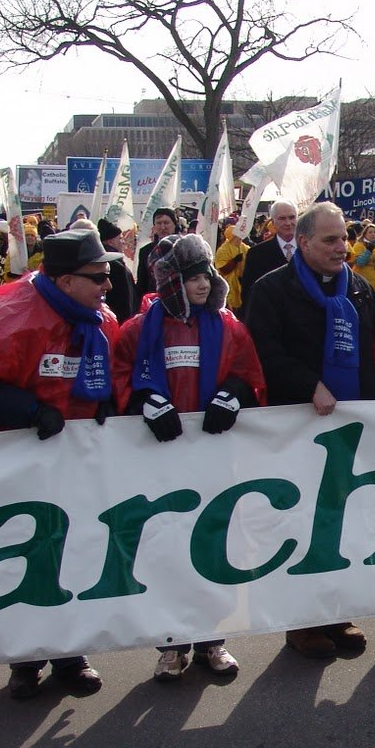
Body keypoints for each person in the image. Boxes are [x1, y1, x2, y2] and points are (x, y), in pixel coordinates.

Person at [0, 229, 124, 699]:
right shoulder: (6, 316)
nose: (108, 283)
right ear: (64, 282)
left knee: (72, 553)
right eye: (98, 275)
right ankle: (25, 659)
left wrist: (106, 403)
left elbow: (107, 374)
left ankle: (70, 654)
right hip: (19, 462)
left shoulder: (99, 319)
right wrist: (29, 412)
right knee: (22, 555)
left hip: (72, 463)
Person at [111, 234, 263, 679]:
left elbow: (247, 373)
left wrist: (234, 396)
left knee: (213, 545)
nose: (204, 284)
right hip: (159, 462)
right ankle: (171, 643)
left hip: (215, 460)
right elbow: (122, 376)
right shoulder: (139, 330)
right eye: (195, 276)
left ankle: (212, 640)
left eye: (207, 275)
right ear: (173, 281)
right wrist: (144, 401)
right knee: (165, 548)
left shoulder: (228, 325)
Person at [243, 201, 375, 659]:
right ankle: (302, 622)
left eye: (344, 237)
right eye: (330, 240)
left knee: (341, 523)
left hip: (348, 428)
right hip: (296, 424)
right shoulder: (271, 290)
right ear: (302, 243)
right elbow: (264, 351)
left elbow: (372, 353)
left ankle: (337, 612)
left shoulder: (361, 291)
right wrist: (310, 385)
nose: (342, 247)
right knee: (301, 523)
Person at [239, 200, 299, 308]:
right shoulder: (256, 254)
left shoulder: (310, 249)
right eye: (282, 218)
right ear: (273, 222)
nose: (288, 223)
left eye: (292, 217)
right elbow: (249, 294)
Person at [95, 219, 137, 323]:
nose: (123, 241)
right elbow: (125, 302)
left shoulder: (99, 262)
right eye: (120, 238)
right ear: (110, 241)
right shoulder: (115, 265)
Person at [137, 207, 180, 285]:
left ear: (175, 225)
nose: (163, 227)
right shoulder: (145, 251)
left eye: (166, 223)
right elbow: (142, 283)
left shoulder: (184, 247)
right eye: (159, 223)